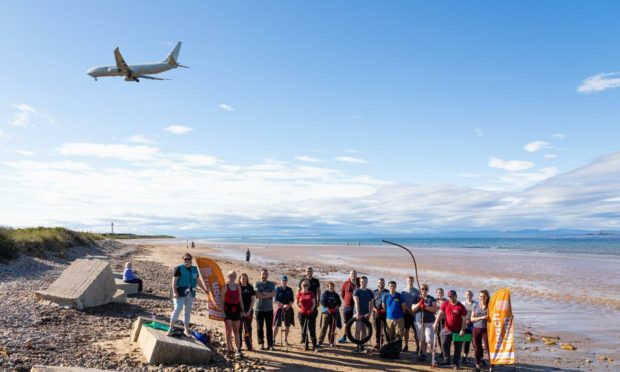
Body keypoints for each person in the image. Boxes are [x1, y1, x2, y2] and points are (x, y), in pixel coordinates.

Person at [168, 253, 208, 337]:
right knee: (177, 309)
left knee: (187, 311)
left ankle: (186, 330)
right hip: (180, 292)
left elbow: (198, 280)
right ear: (183, 260)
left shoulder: (194, 269)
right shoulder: (178, 268)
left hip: (191, 292)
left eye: (188, 259)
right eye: (185, 259)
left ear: (191, 260)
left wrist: (205, 289)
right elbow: (174, 282)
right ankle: (170, 328)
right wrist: (175, 292)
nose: (186, 261)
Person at [434, 289, 468, 369]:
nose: (451, 298)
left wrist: (462, 329)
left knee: (458, 347)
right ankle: (447, 361)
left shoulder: (461, 307)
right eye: (449, 296)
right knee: (444, 343)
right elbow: (439, 313)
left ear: (456, 296)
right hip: (447, 328)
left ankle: (456, 363)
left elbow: (464, 319)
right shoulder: (445, 303)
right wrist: (435, 323)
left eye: (452, 296)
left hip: (458, 330)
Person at [410, 283, 437, 362]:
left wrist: (425, 307)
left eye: (425, 289)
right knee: (421, 339)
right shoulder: (416, 298)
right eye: (422, 289)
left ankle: (433, 356)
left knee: (429, 339)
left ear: (427, 290)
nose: (424, 290)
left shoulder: (430, 298)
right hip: (418, 321)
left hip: (429, 322)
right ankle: (424, 354)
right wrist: (419, 303)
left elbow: (434, 309)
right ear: (420, 290)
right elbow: (413, 309)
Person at [222, 271, 245, 356]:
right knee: (228, 331)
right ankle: (228, 349)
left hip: (236, 310)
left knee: (236, 331)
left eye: (234, 276)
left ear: (236, 277)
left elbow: (240, 300)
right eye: (231, 276)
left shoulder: (238, 287)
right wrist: (223, 313)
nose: (232, 277)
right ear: (228, 276)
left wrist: (243, 311)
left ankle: (238, 349)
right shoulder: (225, 287)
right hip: (228, 310)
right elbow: (222, 302)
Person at [297, 267, 321, 344]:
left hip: (313, 305)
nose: (309, 272)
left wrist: (318, 300)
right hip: (303, 305)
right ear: (305, 272)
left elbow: (319, 291)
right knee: (303, 324)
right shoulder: (302, 280)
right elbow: (298, 291)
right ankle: (303, 338)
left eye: (310, 271)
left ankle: (313, 340)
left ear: (312, 272)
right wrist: (299, 304)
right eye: (307, 271)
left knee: (311, 324)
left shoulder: (316, 281)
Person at [254, 268, 276, 350]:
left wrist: (264, 294)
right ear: (260, 275)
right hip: (259, 309)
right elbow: (258, 295)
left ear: (268, 275)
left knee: (269, 328)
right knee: (260, 327)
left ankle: (270, 345)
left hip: (269, 309)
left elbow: (274, 294)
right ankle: (261, 344)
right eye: (263, 274)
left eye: (265, 274)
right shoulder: (257, 283)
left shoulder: (271, 284)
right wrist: (268, 295)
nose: (264, 276)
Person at [352, 276, 374, 352]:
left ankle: (362, 345)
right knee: (358, 330)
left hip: (366, 314)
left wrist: (369, 313)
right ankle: (357, 345)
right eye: (361, 281)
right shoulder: (356, 291)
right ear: (360, 282)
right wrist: (358, 313)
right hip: (357, 314)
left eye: (364, 281)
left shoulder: (370, 292)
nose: (363, 283)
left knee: (364, 330)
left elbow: (371, 304)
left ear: (367, 282)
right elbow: (356, 303)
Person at [471, 290, 491, 372]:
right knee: (477, 348)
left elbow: (499, 315)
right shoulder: (475, 306)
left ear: (487, 297)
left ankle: (491, 367)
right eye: (480, 296)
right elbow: (472, 319)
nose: (482, 298)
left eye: (484, 296)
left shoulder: (490, 306)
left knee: (489, 348)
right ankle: (478, 366)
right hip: (476, 329)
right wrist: (481, 318)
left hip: (487, 330)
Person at [273, 275, 295, 346]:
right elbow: (275, 300)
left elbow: (292, 300)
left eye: (285, 280)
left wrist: (288, 306)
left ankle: (285, 339)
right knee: (276, 324)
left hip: (288, 309)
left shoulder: (290, 289)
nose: (284, 282)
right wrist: (282, 305)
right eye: (283, 280)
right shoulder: (277, 289)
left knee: (287, 325)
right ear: (281, 281)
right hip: (279, 308)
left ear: (287, 281)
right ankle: (273, 339)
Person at [296, 278, 318, 350]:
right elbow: (296, 304)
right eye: (304, 285)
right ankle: (306, 344)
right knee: (304, 328)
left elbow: (314, 303)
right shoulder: (299, 293)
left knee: (312, 328)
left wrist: (311, 310)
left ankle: (314, 344)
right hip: (302, 313)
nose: (305, 286)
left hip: (310, 313)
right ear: (301, 285)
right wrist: (300, 309)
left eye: (307, 285)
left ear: (309, 285)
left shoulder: (311, 293)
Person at [318, 281, 341, 347]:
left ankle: (331, 342)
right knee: (324, 327)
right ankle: (320, 341)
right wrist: (328, 309)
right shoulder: (325, 293)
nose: (331, 287)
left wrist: (336, 308)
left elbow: (339, 303)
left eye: (332, 286)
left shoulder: (336, 295)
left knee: (332, 328)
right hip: (326, 312)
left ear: (334, 287)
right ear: (328, 287)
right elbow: (322, 302)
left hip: (334, 313)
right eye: (330, 286)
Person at [401, 276, 420, 352]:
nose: (410, 282)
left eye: (411, 281)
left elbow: (419, 302)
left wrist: (414, 311)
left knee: (416, 331)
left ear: (413, 281)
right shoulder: (403, 292)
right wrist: (407, 311)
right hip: (406, 314)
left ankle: (418, 346)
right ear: (406, 281)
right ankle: (406, 345)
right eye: (409, 280)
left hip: (415, 314)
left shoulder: (417, 291)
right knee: (406, 330)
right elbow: (403, 304)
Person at [338, 270, 359, 343]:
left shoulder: (359, 283)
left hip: (357, 307)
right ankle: (344, 337)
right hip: (348, 306)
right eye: (352, 274)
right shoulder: (345, 283)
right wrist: (347, 301)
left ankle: (356, 339)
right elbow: (342, 294)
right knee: (346, 322)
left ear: (356, 275)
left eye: (354, 274)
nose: (353, 275)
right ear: (349, 275)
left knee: (357, 323)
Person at [238, 273, 256, 351]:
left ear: (247, 279)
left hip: (249, 311)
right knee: (239, 328)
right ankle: (239, 345)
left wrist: (249, 310)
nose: (244, 279)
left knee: (248, 328)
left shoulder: (250, 287)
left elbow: (253, 300)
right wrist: (241, 311)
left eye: (245, 278)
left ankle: (249, 345)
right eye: (242, 278)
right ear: (240, 279)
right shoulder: (237, 287)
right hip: (239, 311)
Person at [372, 278, 389, 349]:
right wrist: (374, 309)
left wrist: (386, 310)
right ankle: (378, 342)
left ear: (384, 284)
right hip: (376, 313)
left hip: (385, 313)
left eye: (382, 282)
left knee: (386, 328)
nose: (381, 284)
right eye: (379, 282)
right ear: (377, 283)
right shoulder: (374, 292)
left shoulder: (387, 292)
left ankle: (387, 343)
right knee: (377, 328)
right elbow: (371, 303)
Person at [462, 290, 476, 365]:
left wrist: (472, 320)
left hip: (474, 324)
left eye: (470, 294)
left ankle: (479, 358)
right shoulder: (463, 304)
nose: (469, 296)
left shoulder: (476, 304)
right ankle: (464, 357)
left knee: (475, 342)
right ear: (465, 295)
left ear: (472, 295)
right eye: (467, 294)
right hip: (466, 325)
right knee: (467, 342)